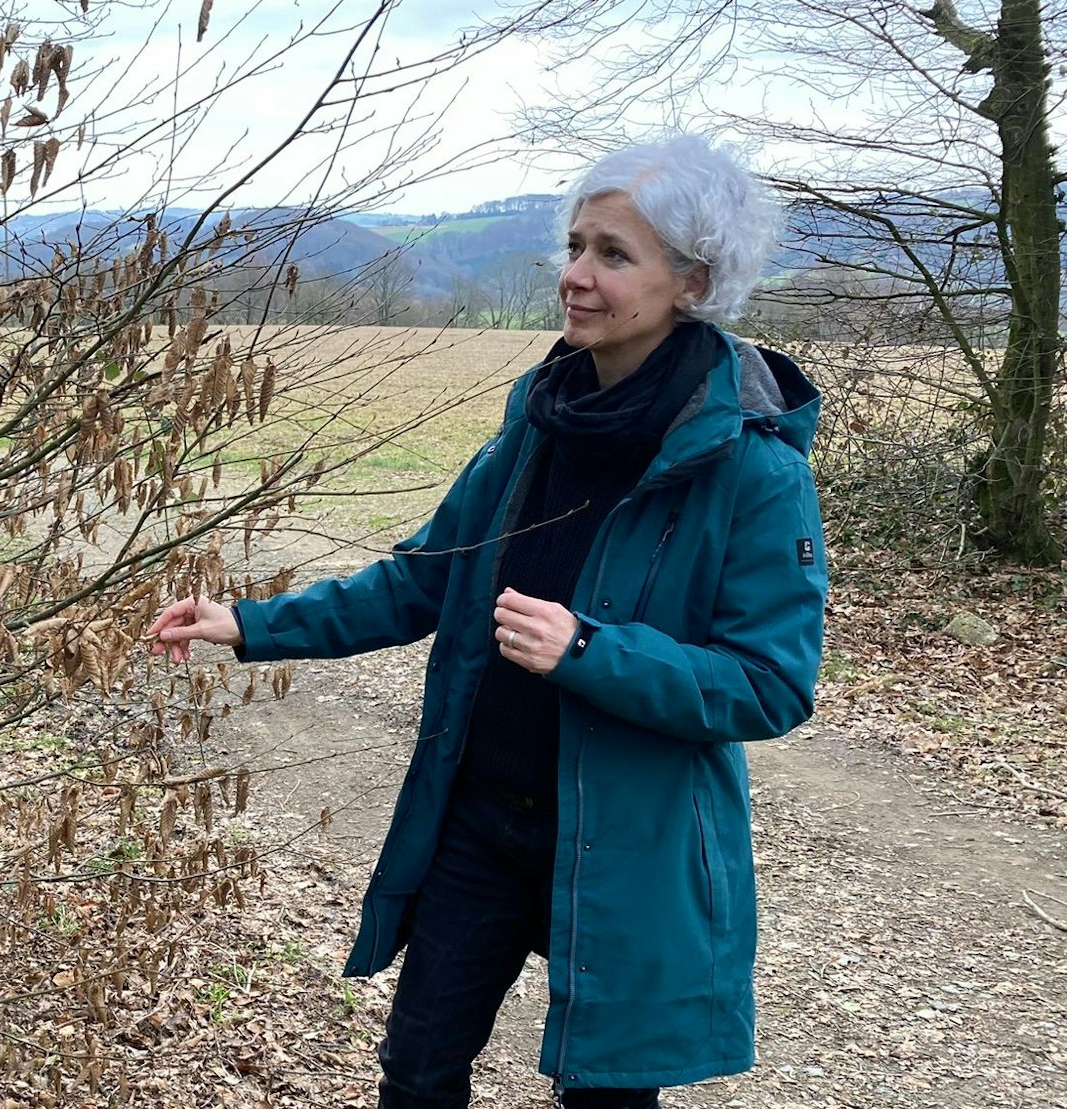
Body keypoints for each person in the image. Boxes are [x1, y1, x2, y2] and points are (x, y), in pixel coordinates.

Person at [146, 135, 826, 1108]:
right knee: (417, 1068)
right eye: (575, 245)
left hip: (622, 836)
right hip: (481, 820)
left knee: (602, 1091)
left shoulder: (751, 471)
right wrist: (247, 624)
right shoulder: (538, 423)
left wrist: (588, 653)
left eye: (611, 255)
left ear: (693, 281)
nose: (575, 276)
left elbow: (768, 682)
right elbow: (417, 583)